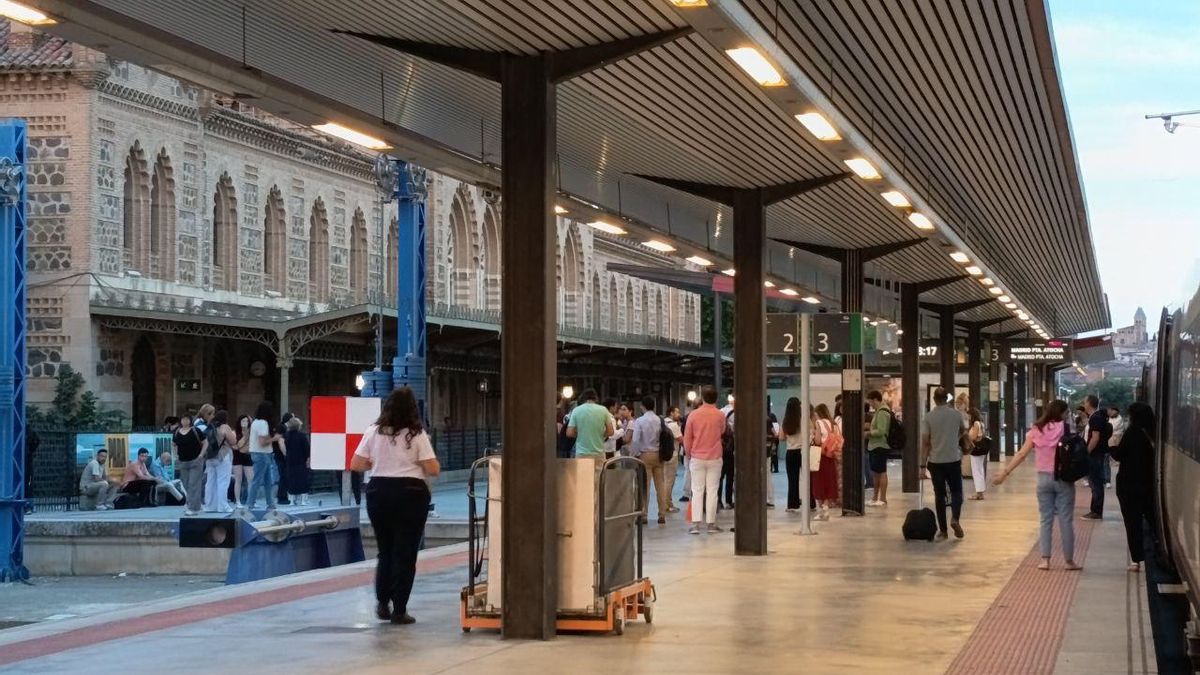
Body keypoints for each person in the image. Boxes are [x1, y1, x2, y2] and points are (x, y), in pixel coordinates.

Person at [349, 387, 440, 625]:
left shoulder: (373, 432)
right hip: (411, 494)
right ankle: (400, 609)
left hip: (379, 492)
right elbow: (433, 469)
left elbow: (356, 463)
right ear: (413, 409)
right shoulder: (417, 434)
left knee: (385, 551)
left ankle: (382, 602)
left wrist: (381, 462)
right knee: (406, 553)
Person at [994, 400, 1081, 570]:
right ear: (1062, 413)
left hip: (1043, 480)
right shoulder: (1065, 428)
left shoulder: (1036, 429)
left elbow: (1022, 454)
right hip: (1063, 479)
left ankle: (1045, 560)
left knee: (1045, 519)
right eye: (1066, 413)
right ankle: (1069, 561)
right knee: (1065, 520)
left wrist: (1005, 473)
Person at [1110, 402, 1155, 572]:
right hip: (1148, 485)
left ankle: (1137, 560)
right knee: (1151, 518)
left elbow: (1120, 455)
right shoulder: (1152, 433)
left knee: (1133, 522)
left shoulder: (1132, 433)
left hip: (1128, 486)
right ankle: (1159, 547)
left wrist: (1111, 447)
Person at [921, 387, 967, 539]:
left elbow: (926, 443)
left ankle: (943, 531)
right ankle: (955, 518)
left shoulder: (928, 417)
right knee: (956, 491)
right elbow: (963, 431)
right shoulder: (956, 415)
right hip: (953, 459)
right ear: (947, 399)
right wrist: (954, 439)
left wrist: (922, 466)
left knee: (939, 495)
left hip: (936, 461)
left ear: (934, 399)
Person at [683, 386, 726, 534]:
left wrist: (689, 455)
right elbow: (722, 431)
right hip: (715, 456)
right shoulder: (720, 415)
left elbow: (687, 438)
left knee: (697, 490)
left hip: (697, 457)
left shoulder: (693, 415)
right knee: (713, 490)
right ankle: (711, 524)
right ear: (716, 398)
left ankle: (695, 524)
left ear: (702, 397)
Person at [630, 396, 670, 524]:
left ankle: (644, 514)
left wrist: (634, 454)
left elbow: (635, 440)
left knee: (644, 486)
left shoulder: (640, 421)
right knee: (660, 485)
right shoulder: (660, 419)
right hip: (658, 455)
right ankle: (662, 514)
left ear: (643, 406)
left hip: (645, 455)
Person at [564, 389, 614, 472]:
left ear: (583, 398)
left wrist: (581, 434)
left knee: (583, 481)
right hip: (599, 453)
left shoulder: (576, 410)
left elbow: (569, 433)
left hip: (582, 453)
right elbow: (611, 431)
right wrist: (600, 435)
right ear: (596, 399)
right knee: (598, 481)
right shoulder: (603, 410)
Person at [246, 401, 283, 510]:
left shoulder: (255, 422)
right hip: (262, 454)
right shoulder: (263, 423)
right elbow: (262, 442)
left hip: (258, 453)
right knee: (258, 480)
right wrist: (274, 439)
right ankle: (250, 503)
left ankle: (270, 503)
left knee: (268, 481)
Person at [1082, 394, 1112, 519]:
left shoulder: (1096, 418)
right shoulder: (1096, 417)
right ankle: (1095, 510)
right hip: (1097, 454)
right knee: (1095, 482)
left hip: (1095, 455)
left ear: (1089, 403)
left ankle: (1096, 511)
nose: (1083, 404)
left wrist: (1086, 453)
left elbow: (1095, 438)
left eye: (1084, 402)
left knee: (1096, 483)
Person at [173, 414, 206, 516]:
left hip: (195, 460)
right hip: (183, 461)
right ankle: (195, 504)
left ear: (190, 421)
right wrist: (175, 455)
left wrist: (201, 454)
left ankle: (192, 508)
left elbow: (205, 442)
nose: (185, 421)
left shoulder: (196, 431)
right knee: (186, 484)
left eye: (187, 419)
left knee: (193, 484)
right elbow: (174, 444)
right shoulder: (177, 432)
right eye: (183, 419)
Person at [203, 410, 235, 513]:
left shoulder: (210, 426)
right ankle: (223, 506)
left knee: (210, 482)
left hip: (210, 457)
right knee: (223, 482)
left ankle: (210, 506)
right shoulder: (225, 427)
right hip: (223, 456)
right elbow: (233, 441)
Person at [812, 403, 841, 519]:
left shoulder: (819, 423)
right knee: (829, 480)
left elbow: (818, 441)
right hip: (831, 455)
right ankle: (826, 507)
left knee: (819, 481)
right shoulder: (834, 424)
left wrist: (813, 435)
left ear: (818, 413)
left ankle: (821, 511)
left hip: (821, 455)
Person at [865, 390, 891, 506]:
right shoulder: (879, 411)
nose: (871, 405)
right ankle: (875, 497)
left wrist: (868, 433)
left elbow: (881, 431)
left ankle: (883, 498)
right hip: (875, 445)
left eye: (871, 402)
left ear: (876, 399)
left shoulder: (882, 412)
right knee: (876, 472)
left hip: (880, 445)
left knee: (881, 471)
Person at [779, 397, 805, 512]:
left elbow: (781, 438)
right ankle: (811, 503)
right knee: (807, 478)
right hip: (803, 451)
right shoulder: (803, 419)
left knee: (792, 479)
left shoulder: (785, 421)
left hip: (791, 452)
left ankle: (792, 504)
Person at [284, 416, 312, 505]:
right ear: (298, 426)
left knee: (291, 479)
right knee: (303, 479)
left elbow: (286, 447)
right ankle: (303, 500)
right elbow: (307, 449)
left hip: (290, 460)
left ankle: (292, 500)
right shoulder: (302, 436)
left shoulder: (286, 436)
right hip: (301, 461)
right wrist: (308, 458)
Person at [664, 406, 683, 513]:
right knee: (669, 481)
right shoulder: (673, 425)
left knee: (664, 481)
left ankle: (666, 503)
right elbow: (681, 440)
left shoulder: (662, 422)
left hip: (663, 456)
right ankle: (667, 505)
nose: (679, 414)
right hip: (672, 455)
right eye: (677, 412)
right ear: (671, 413)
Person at [230, 414, 253, 507]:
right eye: (243, 421)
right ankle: (238, 501)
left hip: (248, 456)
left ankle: (251, 500)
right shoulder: (234, 432)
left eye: (247, 421)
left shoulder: (251, 433)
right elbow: (237, 445)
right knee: (238, 479)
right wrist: (246, 436)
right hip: (237, 457)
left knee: (250, 479)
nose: (245, 423)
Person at [965, 408, 987, 501]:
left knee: (976, 471)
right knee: (980, 470)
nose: (968, 417)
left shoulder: (976, 424)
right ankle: (980, 492)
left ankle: (979, 493)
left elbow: (973, 437)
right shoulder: (981, 423)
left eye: (969, 415)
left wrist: (966, 437)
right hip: (981, 450)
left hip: (976, 450)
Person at [719, 396, 735, 509]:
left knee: (719, 477)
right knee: (730, 476)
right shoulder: (736, 413)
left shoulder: (721, 412)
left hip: (719, 451)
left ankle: (718, 500)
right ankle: (729, 501)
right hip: (730, 451)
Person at [274, 412, 292, 506]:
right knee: (284, 476)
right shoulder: (282, 428)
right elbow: (280, 441)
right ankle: (282, 497)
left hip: (280, 455)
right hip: (281, 456)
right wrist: (285, 454)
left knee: (284, 476)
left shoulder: (283, 427)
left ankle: (283, 496)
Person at [1106, 406, 1125, 489]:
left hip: (1115, 442)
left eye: (1112, 411)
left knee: (1115, 459)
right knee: (1105, 460)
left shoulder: (1119, 419)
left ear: (1116, 411)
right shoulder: (1109, 419)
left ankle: (1107, 480)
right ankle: (1106, 480)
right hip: (1109, 441)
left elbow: (1112, 428)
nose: (1110, 412)